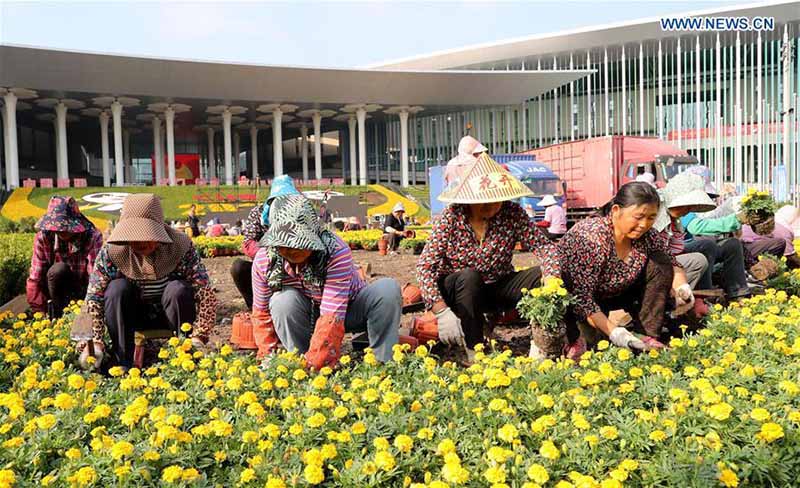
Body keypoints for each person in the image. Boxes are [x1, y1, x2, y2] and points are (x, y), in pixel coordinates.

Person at [417, 153, 560, 353]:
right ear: (469, 198)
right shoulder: (451, 217)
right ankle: (474, 348)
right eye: (485, 200)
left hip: (497, 286)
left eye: (497, 200)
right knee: (469, 276)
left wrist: (551, 275)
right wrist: (440, 310)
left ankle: (544, 342)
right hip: (459, 289)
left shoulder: (512, 213)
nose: (492, 206)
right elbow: (425, 266)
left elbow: (544, 247)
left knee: (541, 276)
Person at [250, 194, 401, 368]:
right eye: (284, 243)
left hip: (349, 309)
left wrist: (318, 364)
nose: (292, 250)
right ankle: (297, 362)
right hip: (306, 315)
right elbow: (261, 314)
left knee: (387, 289)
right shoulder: (264, 260)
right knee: (281, 301)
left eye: (299, 242)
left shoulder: (335, 251)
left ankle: (383, 364)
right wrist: (269, 361)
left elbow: (332, 316)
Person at [84, 194, 217, 370]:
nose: (140, 242)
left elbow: (204, 291)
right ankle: (122, 361)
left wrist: (199, 335)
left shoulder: (181, 246)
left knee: (178, 289)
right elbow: (94, 297)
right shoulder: (112, 253)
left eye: (147, 235)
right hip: (130, 317)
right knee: (116, 289)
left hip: (171, 315)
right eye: (134, 236)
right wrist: (95, 342)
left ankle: (185, 358)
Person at [559, 182, 694, 354]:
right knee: (589, 348)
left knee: (660, 262)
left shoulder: (647, 235)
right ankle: (578, 337)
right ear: (616, 210)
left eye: (651, 218)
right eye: (638, 217)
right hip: (580, 304)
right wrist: (615, 332)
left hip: (616, 293)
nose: (644, 224)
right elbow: (581, 298)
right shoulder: (592, 237)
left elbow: (671, 261)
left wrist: (682, 286)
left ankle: (646, 334)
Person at [26, 196, 103, 318]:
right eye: (59, 227)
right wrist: (39, 311)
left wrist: (92, 308)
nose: (62, 230)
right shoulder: (44, 237)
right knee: (58, 270)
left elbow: (94, 275)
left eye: (66, 227)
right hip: (56, 290)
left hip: (83, 288)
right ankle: (57, 315)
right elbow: (36, 277)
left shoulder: (92, 236)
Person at [230, 175, 299, 309]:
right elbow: (249, 242)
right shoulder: (258, 212)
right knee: (238, 267)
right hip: (264, 265)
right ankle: (255, 307)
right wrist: (271, 254)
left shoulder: (299, 212)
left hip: (295, 265)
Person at [651, 172, 715, 290]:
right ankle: (677, 298)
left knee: (707, 245)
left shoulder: (675, 219)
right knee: (698, 260)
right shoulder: (656, 212)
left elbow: (673, 249)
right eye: (685, 205)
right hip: (653, 261)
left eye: (690, 206)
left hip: (667, 255)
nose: (687, 211)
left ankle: (704, 292)